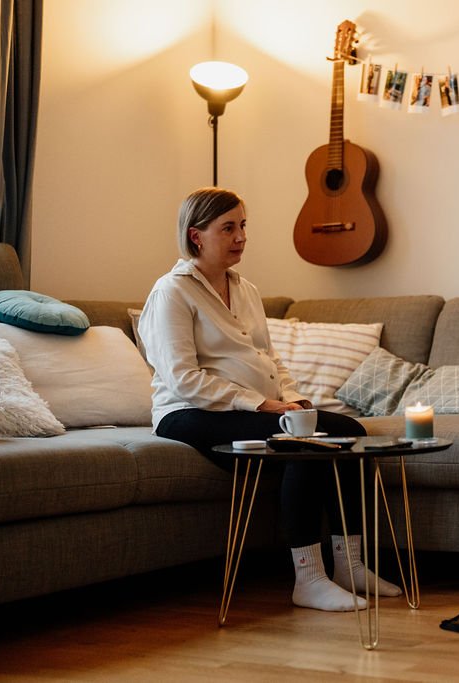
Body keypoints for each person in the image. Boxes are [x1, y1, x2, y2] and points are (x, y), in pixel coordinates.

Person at [139, 187, 401, 613]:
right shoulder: (172, 292)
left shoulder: (245, 289)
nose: (241, 237)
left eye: (243, 226)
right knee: (299, 441)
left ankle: (349, 565)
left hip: (256, 409)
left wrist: (294, 400)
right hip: (189, 413)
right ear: (196, 236)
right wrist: (262, 405)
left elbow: (269, 358)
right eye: (228, 228)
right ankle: (309, 580)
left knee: (351, 431)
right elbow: (183, 379)